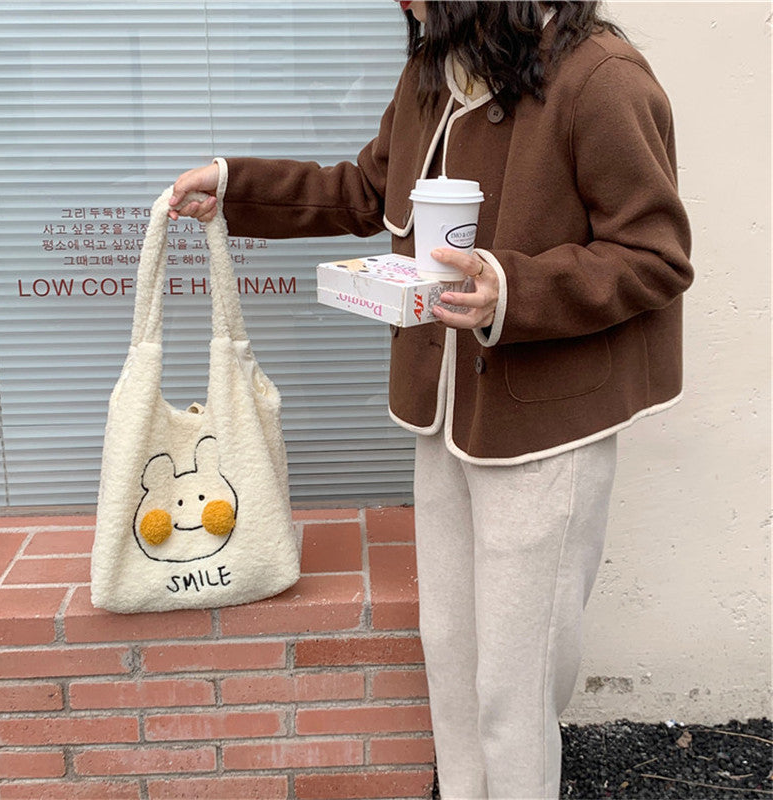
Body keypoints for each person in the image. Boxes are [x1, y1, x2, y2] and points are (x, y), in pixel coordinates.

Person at [169, 2, 693, 797]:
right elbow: (362, 190)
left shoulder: (601, 78)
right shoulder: (433, 74)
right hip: (446, 416)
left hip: (545, 427)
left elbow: (655, 255)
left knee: (513, 690)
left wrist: (513, 287)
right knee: (450, 656)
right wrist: (236, 188)